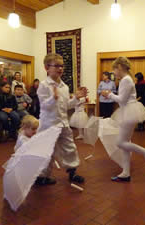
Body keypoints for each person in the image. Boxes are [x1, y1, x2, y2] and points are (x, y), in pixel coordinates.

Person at [36, 53, 88, 186]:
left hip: (63, 123)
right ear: (47, 67)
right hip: (49, 124)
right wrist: (53, 98)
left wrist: (76, 98)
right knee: (47, 150)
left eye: (62, 66)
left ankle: (72, 172)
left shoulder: (64, 87)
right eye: (56, 66)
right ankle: (42, 176)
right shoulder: (43, 85)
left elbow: (66, 106)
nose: (60, 69)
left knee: (69, 148)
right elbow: (44, 105)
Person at [101, 57, 145, 182]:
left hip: (128, 112)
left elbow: (121, 100)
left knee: (120, 143)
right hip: (127, 111)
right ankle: (126, 173)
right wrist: (111, 94)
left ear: (119, 67)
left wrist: (108, 94)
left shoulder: (126, 80)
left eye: (114, 69)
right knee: (125, 143)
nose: (113, 73)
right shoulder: (127, 79)